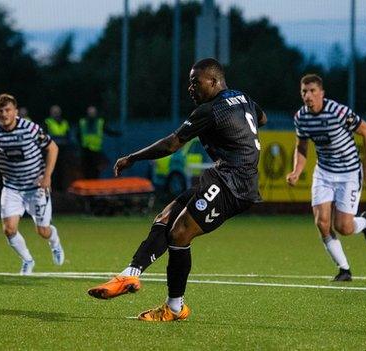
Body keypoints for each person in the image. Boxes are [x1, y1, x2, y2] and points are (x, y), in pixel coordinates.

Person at [87, 58, 267, 321]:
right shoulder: (241, 97)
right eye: (189, 82)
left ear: (214, 81)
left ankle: (174, 308)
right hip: (222, 176)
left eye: (196, 82)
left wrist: (132, 158)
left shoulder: (210, 110)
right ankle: (130, 274)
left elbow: (171, 145)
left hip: (234, 184)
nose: (190, 88)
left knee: (180, 233)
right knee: (165, 218)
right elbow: (261, 118)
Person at [286, 74, 366, 282]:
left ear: (321, 93)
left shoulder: (339, 112)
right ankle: (344, 269)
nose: (308, 95)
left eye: (312, 91)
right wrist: (296, 171)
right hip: (324, 172)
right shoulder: (301, 117)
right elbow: (301, 146)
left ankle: (364, 222)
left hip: (349, 173)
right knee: (322, 222)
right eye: (304, 92)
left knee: (343, 227)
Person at [0, 93, 64, 275]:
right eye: (0, 111)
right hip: (12, 187)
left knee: (43, 231)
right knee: (9, 229)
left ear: (15, 111)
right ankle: (27, 260)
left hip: (36, 187)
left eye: (7, 110)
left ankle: (55, 242)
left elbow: (53, 148)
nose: (4, 114)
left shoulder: (29, 128)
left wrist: (47, 176)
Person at [78, 105, 121, 179]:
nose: (91, 114)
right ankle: (87, 186)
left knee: (96, 170)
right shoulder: (82, 122)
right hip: (85, 150)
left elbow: (107, 131)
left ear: (96, 113)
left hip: (96, 150)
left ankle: (94, 185)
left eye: (93, 112)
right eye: (90, 112)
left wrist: (117, 133)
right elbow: (78, 134)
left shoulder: (100, 122)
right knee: (86, 169)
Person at [44, 105, 71, 191]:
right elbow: (45, 137)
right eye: (54, 111)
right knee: (52, 171)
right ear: (51, 113)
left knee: (62, 171)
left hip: (63, 151)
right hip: (51, 151)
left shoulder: (65, 123)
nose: (56, 113)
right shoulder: (47, 122)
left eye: (57, 111)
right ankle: (53, 190)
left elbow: (68, 136)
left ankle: (62, 190)